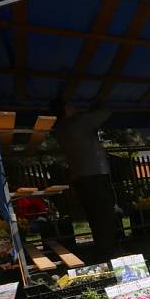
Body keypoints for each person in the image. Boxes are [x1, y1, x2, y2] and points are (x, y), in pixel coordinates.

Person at [49, 98, 118, 262]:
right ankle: (109, 252)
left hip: (79, 176)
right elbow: (107, 111)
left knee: (94, 215)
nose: (75, 106)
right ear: (66, 109)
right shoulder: (79, 121)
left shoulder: (59, 128)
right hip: (95, 173)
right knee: (105, 214)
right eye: (71, 104)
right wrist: (95, 104)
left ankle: (103, 250)